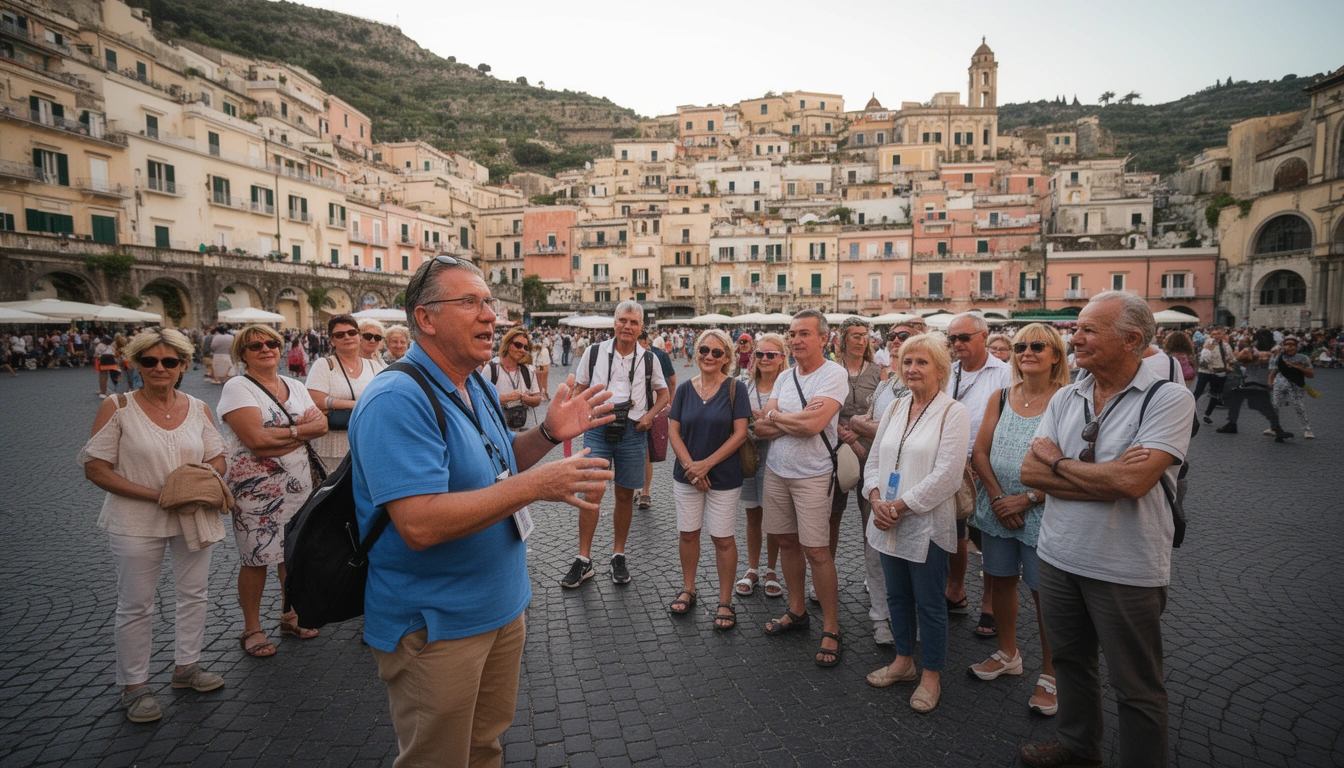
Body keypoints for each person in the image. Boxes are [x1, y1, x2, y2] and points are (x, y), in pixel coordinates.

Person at [348, 255, 615, 768]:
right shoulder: (397, 398)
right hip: (436, 624)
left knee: (484, 747)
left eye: (488, 301)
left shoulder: (477, 385)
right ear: (425, 318)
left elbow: (497, 462)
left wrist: (548, 435)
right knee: (438, 759)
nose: (490, 315)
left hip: (500, 607)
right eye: (469, 302)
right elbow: (420, 523)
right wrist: (534, 487)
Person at [1018, 291, 1195, 768]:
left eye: (1089, 330)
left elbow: (1134, 482)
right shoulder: (1067, 394)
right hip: (1057, 555)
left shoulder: (1170, 399)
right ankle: (1078, 747)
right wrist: (1098, 477)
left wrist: (1058, 463)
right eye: (1077, 328)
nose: (1074, 338)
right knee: (1072, 664)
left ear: (1132, 340)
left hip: (1126, 566)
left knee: (1136, 687)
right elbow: (1030, 473)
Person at [80, 328, 229, 723]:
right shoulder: (119, 406)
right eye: (149, 361)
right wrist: (159, 494)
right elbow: (95, 467)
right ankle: (135, 686)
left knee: (194, 594)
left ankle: (187, 668)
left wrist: (195, 482)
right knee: (135, 604)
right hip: (135, 519)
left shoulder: (199, 408)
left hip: (193, 515)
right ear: (135, 363)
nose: (159, 368)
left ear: (183, 365)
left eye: (169, 361)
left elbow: (217, 459)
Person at [862, 332, 969, 713]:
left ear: (940, 368)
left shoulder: (952, 412)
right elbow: (874, 461)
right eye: (907, 362)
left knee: (930, 604)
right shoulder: (894, 408)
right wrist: (876, 499)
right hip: (887, 520)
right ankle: (904, 661)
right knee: (896, 597)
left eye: (921, 362)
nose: (912, 369)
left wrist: (899, 506)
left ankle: (931, 675)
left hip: (925, 525)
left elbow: (948, 476)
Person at [967, 323, 1068, 716]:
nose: (1027, 351)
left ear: (1055, 355)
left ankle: (1052, 673)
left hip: (1043, 512)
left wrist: (1025, 499)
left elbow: (1073, 465)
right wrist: (997, 497)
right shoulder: (1001, 397)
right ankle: (1008, 653)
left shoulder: (1067, 400)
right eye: (1020, 345)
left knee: (1046, 596)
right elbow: (980, 452)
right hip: (997, 510)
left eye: (1037, 346)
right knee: (1001, 582)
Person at [218, 325, 328, 657]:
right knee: (256, 558)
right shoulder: (237, 386)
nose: (265, 349)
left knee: (291, 551)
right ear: (242, 354)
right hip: (255, 487)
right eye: (255, 346)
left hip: (298, 482)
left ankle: (290, 615)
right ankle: (252, 628)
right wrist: (300, 430)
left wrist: (282, 431)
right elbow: (255, 441)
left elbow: (321, 424)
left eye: (272, 343)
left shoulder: (294, 384)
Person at [753, 309, 848, 666]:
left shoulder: (834, 375)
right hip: (777, 470)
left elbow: (815, 425)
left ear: (824, 338)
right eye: (792, 334)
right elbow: (760, 429)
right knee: (786, 541)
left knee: (818, 551)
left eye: (804, 333)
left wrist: (777, 417)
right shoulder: (784, 376)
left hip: (813, 474)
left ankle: (831, 626)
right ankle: (796, 611)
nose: (795, 340)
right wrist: (788, 419)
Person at [560, 303, 669, 588]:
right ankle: (584, 559)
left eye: (633, 321)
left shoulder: (649, 358)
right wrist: (579, 412)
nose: (627, 326)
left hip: (633, 429)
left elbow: (664, 393)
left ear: (641, 326)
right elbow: (580, 387)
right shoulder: (595, 352)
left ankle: (618, 554)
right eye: (622, 320)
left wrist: (648, 416)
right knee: (591, 492)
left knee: (624, 495)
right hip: (597, 428)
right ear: (614, 323)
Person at [667, 329, 751, 629]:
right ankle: (688, 587)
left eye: (717, 352)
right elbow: (673, 431)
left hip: (724, 476)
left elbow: (740, 433)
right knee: (688, 533)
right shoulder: (685, 390)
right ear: (696, 352)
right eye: (704, 350)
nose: (709, 357)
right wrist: (692, 468)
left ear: (727, 357)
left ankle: (725, 600)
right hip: (686, 475)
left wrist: (706, 466)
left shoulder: (735, 389)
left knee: (723, 538)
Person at [846, 320, 921, 646]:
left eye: (904, 336)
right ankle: (880, 616)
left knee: (914, 552)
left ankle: (909, 616)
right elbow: (868, 422)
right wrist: (865, 427)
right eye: (891, 336)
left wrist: (868, 428)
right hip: (879, 477)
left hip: (916, 480)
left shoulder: (932, 384)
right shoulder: (885, 380)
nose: (894, 340)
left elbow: (909, 432)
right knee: (876, 547)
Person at [944, 312, 1011, 637]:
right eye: (952, 338)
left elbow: (1011, 421)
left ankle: (990, 602)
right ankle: (955, 591)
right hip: (951, 467)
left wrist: (980, 458)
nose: (957, 344)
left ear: (984, 337)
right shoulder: (948, 371)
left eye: (964, 338)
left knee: (989, 538)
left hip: (988, 466)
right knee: (954, 534)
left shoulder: (1004, 374)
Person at [832, 317, 884, 638]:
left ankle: (873, 578)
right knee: (832, 518)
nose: (860, 341)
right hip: (837, 450)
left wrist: (861, 438)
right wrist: (848, 436)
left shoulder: (879, 374)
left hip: (871, 453)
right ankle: (827, 577)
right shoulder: (831, 369)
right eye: (854, 336)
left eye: (864, 336)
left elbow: (882, 413)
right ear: (843, 339)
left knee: (870, 521)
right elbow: (826, 410)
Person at [736, 333, 786, 599]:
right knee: (752, 515)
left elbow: (792, 423)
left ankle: (771, 569)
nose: (764, 359)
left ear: (781, 359)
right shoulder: (743, 387)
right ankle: (753, 568)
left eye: (771, 355)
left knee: (774, 516)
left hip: (776, 453)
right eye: (760, 354)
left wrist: (764, 420)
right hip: (748, 452)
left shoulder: (788, 386)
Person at [307, 315, 378, 472]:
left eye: (351, 332)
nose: (347, 337)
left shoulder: (373, 366)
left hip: (368, 441)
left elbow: (385, 398)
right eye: (340, 335)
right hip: (334, 445)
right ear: (332, 340)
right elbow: (315, 400)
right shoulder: (324, 365)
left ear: (359, 336)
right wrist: (358, 404)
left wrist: (332, 402)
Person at [638, 330, 677, 510]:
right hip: (630, 411)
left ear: (647, 342)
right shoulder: (622, 356)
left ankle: (645, 491)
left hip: (652, 408)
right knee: (630, 454)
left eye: (639, 343)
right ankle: (634, 489)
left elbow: (672, 381)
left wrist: (669, 405)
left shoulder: (659, 356)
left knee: (646, 452)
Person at [482, 327, 543, 432]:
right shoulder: (492, 369)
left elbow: (538, 399)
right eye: (518, 345)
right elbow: (480, 400)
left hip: (521, 431)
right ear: (507, 344)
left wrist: (524, 398)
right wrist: (507, 398)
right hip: (496, 431)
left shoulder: (527, 371)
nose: (522, 350)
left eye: (525, 347)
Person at [1269, 335, 1315, 439]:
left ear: (1297, 347)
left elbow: (1311, 375)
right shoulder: (1279, 357)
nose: (1290, 347)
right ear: (1283, 346)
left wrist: (1300, 368)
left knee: (1299, 407)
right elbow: (1274, 370)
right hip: (1279, 382)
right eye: (1287, 345)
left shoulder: (1303, 358)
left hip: (1295, 385)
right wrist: (1270, 382)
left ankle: (1307, 430)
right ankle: (1273, 428)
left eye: (1292, 345)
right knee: (1275, 405)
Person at [1193, 329, 1234, 424]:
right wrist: (1208, 348)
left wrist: (1229, 365)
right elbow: (1204, 357)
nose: (1216, 336)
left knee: (1216, 394)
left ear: (1222, 334)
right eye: (1214, 334)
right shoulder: (1208, 343)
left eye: (1218, 333)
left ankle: (1207, 414)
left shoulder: (1225, 345)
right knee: (1198, 391)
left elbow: (1230, 357)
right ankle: (1191, 412)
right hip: (1205, 371)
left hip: (1219, 372)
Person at [533, 331, 552, 399]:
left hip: (538, 367)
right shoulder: (545, 350)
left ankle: (540, 393)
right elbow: (547, 361)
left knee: (539, 381)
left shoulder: (536, 349)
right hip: (545, 367)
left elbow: (534, 360)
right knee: (544, 381)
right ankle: (544, 393)